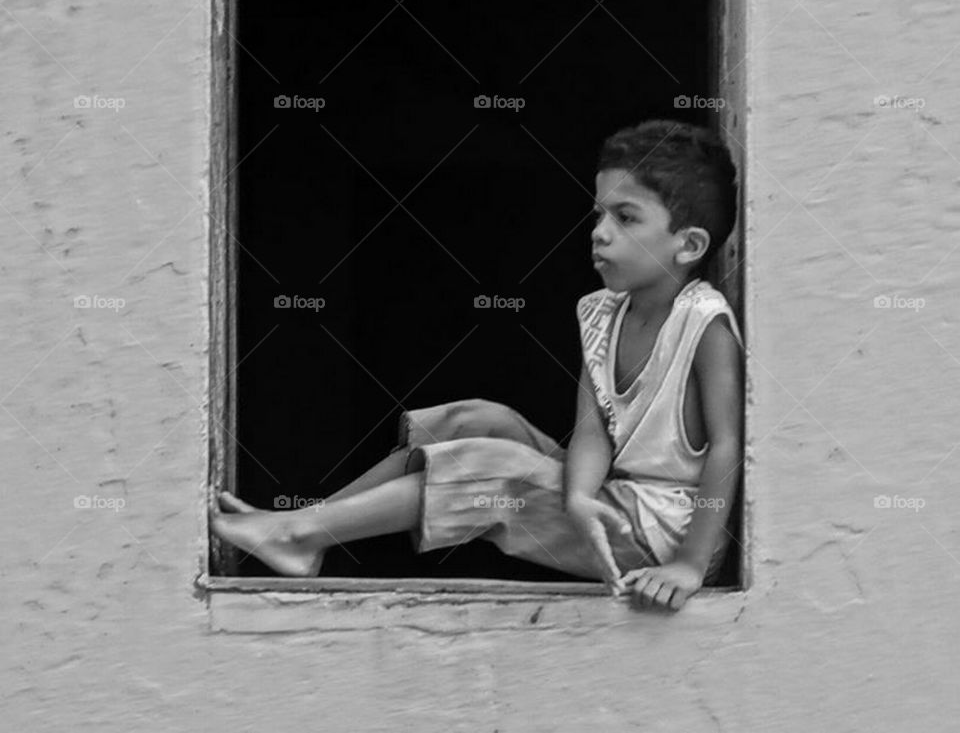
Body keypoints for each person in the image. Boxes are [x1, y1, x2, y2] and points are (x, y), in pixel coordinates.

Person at [210, 118, 745, 613]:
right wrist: (579, 497)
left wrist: (690, 564)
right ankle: (306, 531)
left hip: (660, 535)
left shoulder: (703, 324)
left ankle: (298, 534)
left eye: (625, 218)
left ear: (688, 244)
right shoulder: (600, 312)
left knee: (492, 467)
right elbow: (592, 431)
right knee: (473, 421)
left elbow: (725, 447)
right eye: (598, 214)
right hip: (606, 504)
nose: (600, 232)